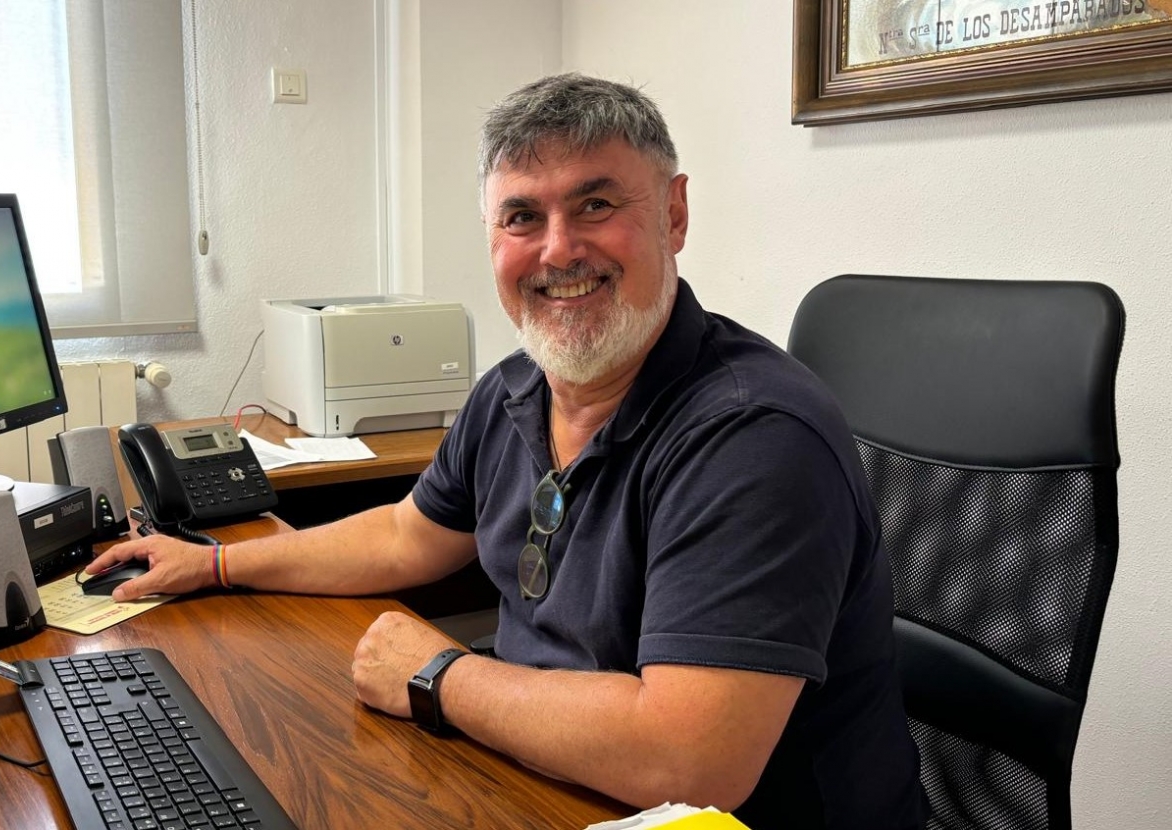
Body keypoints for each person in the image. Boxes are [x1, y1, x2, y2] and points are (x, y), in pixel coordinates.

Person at [86, 73, 927, 829]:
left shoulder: (753, 436)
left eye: (596, 205)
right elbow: (406, 536)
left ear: (673, 215)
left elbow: (689, 761)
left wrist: (438, 676)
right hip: (546, 782)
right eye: (522, 216)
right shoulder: (514, 390)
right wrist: (216, 564)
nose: (558, 249)